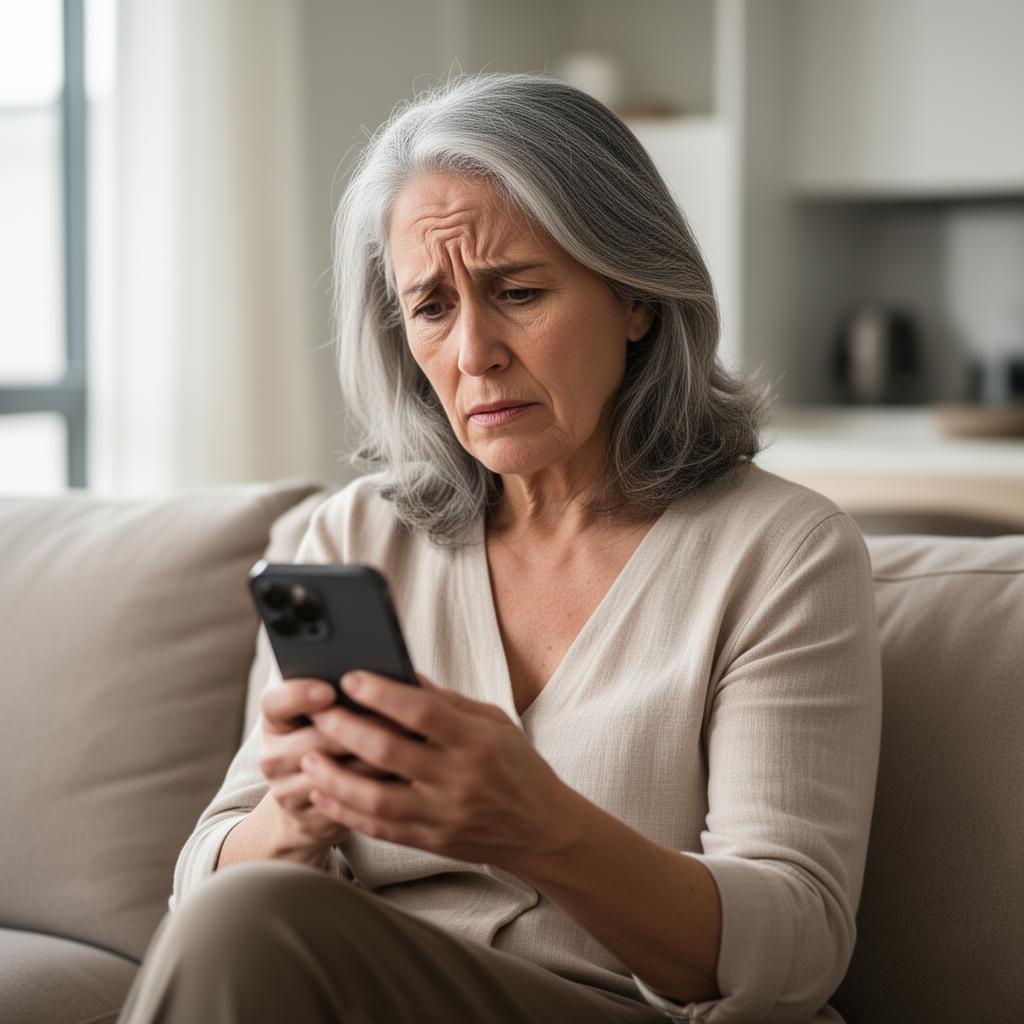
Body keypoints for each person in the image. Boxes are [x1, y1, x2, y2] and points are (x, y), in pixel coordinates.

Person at [117, 72, 881, 1024]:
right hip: (363, 992)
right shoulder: (350, 539)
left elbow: (799, 946)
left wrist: (540, 828)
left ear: (635, 295)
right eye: (432, 307)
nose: (474, 352)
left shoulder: (782, 553)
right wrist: (296, 819)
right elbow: (205, 890)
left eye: (517, 292)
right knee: (251, 904)